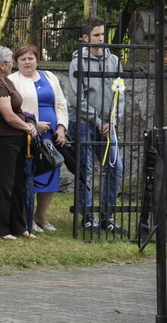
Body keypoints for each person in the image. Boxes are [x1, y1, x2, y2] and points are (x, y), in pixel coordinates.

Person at [68, 16, 127, 235]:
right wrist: (98, 121)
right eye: (96, 35)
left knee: (115, 167)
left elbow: (119, 95)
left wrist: (112, 120)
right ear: (85, 37)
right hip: (84, 122)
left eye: (103, 34)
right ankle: (87, 216)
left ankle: (107, 216)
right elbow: (76, 98)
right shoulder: (77, 62)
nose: (101, 39)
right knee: (87, 170)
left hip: (107, 125)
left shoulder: (114, 62)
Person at [8, 44, 68, 233]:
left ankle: (41, 215)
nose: (27, 62)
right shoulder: (12, 80)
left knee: (51, 171)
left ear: (37, 59)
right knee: (30, 174)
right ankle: (26, 216)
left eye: (30, 58)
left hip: (52, 136)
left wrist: (61, 127)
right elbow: (14, 109)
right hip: (29, 135)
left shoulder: (50, 76)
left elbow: (61, 103)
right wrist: (34, 124)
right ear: (17, 62)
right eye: (23, 59)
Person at [0, 47, 37, 240]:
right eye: (10, 61)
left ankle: (16, 224)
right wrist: (27, 127)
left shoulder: (5, 80)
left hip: (15, 139)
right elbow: (8, 116)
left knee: (18, 184)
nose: (12, 63)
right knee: (4, 183)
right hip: (2, 139)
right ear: (1, 65)